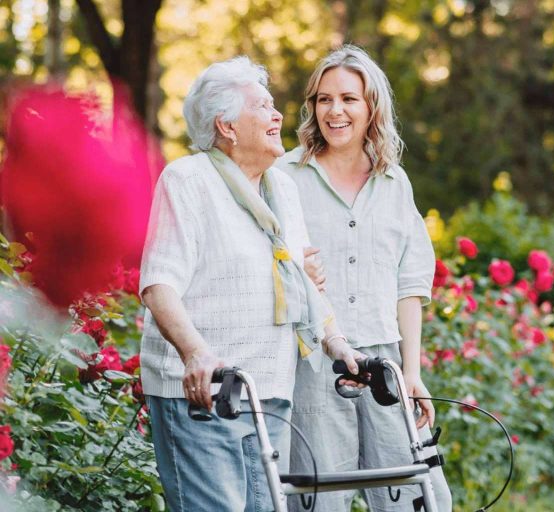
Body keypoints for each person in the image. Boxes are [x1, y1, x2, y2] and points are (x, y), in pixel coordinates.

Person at [139, 56, 360, 511]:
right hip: (205, 393)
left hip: (268, 391)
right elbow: (159, 282)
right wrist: (195, 351)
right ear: (227, 126)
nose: (278, 115)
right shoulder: (188, 180)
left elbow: (302, 281)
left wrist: (338, 345)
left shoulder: (282, 189)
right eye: (262, 106)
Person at [275, 45, 453, 511]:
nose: (335, 111)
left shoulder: (395, 183)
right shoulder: (282, 177)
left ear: (372, 106)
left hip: (384, 365)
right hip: (312, 366)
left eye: (349, 99)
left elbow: (410, 285)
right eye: (324, 99)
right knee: (318, 502)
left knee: (418, 498)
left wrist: (412, 374)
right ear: (312, 106)